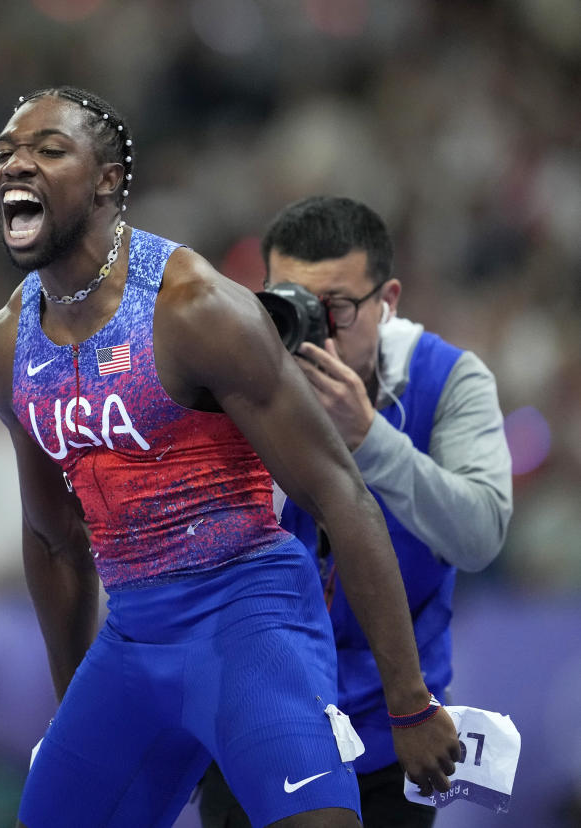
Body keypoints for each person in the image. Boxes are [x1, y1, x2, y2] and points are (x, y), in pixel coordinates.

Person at [0, 86, 461, 828]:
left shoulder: (194, 308)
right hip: (133, 636)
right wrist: (77, 706)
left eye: (48, 150)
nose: (17, 166)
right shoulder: (7, 343)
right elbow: (52, 538)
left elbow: (342, 496)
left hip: (249, 623)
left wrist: (410, 702)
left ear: (107, 180)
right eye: (6, 152)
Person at [197, 195, 513, 827]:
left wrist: (371, 438)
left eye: (336, 306)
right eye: (288, 302)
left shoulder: (448, 380)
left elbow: (480, 536)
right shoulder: (229, 385)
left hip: (396, 739)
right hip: (253, 728)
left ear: (387, 299)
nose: (316, 326)